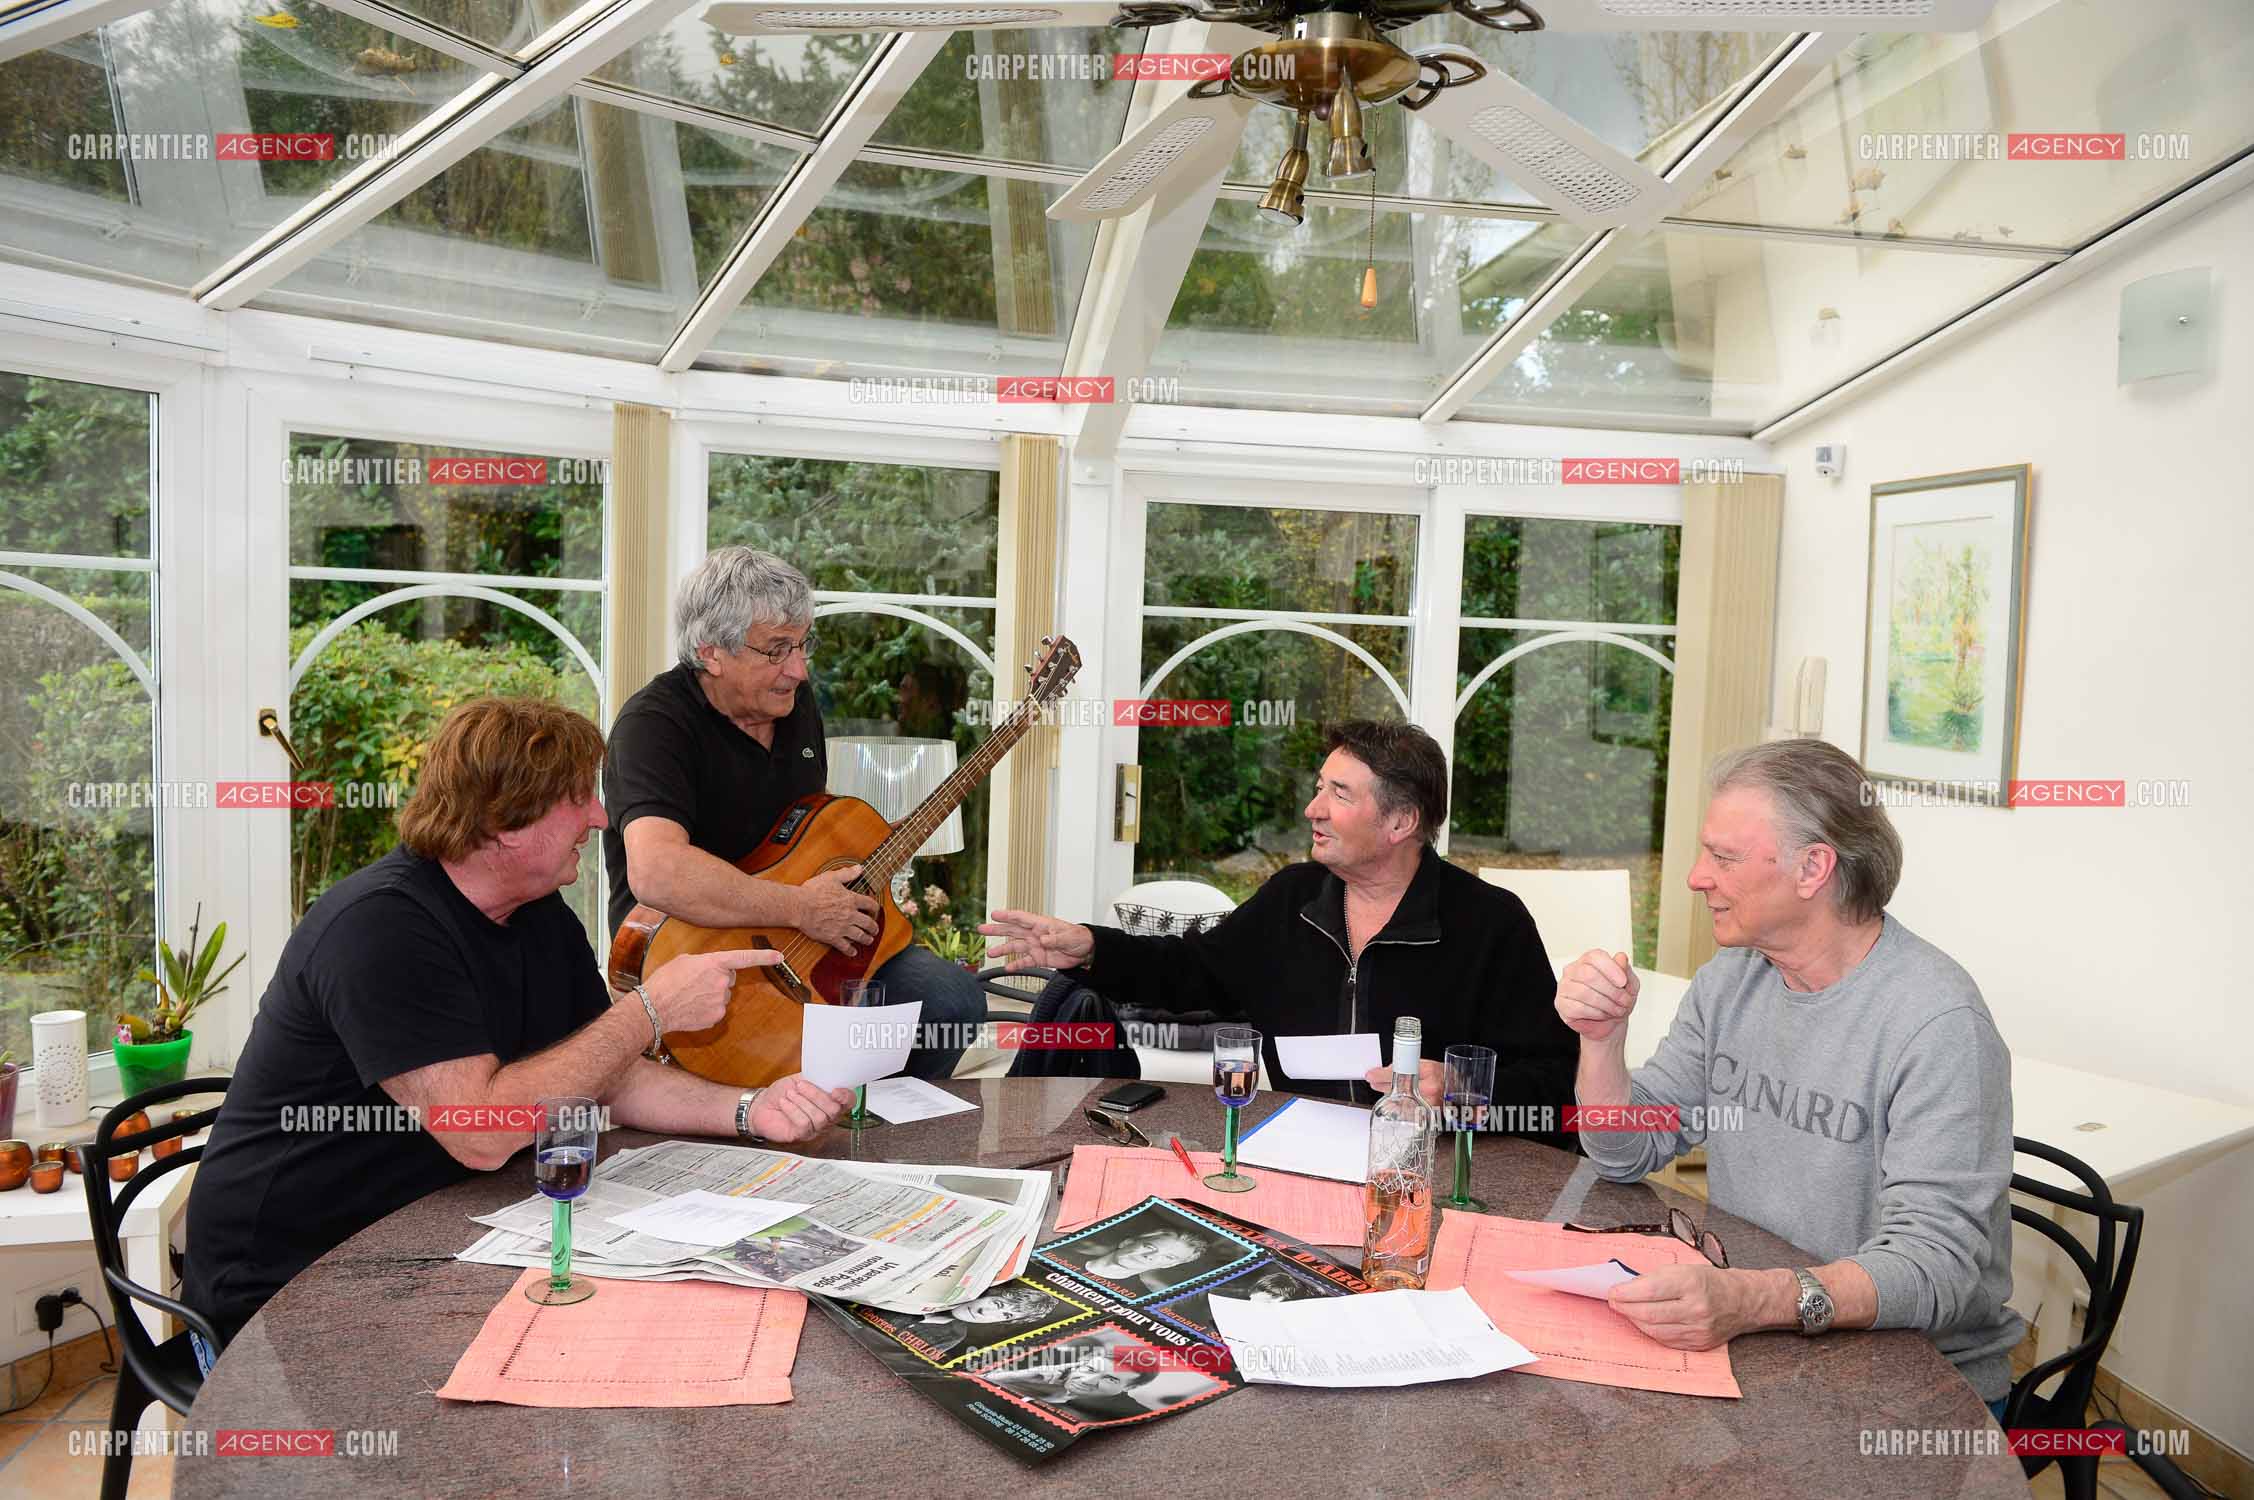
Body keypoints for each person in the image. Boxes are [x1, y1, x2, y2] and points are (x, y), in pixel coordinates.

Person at [182, 698, 852, 1363]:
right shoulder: (379, 930)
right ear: (505, 822)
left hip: (447, 1238)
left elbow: (602, 1074)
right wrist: (647, 1011)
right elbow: (480, 1133)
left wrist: (749, 1110)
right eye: (577, 798)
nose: (599, 816)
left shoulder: (536, 913)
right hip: (284, 1293)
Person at [1556, 738, 2021, 1413]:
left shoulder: (1937, 1022)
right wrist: (1601, 1042)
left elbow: (1936, 1269)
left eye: (1724, 857)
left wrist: (1749, 1297)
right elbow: (1623, 1151)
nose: (1695, 877)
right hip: (1767, 1333)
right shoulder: (1732, 983)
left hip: (1911, 1379)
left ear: (1813, 869)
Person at [982, 720, 1577, 1145]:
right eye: (1319, 787)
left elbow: (1554, 1084)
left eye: (1337, 793)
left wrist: (1458, 1086)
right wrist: (1092, 947)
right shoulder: (1293, 897)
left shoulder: (1491, 924)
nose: (1311, 809)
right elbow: (1194, 972)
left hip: (1447, 1169)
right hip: (1303, 1150)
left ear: (1401, 821)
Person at [602, 547, 988, 1079]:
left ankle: (874, 1141)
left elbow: (806, 834)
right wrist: (800, 907)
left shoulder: (792, 704)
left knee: (950, 1000)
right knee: (778, 1076)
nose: (799, 670)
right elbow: (657, 871)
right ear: (712, 653)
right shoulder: (653, 726)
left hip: (798, 945)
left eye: (803, 644)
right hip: (693, 952)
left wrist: (857, 868)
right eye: (777, 649)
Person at [897, 1284, 1066, 1359]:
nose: (984, 1313)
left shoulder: (955, 1335)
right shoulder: (930, 1294)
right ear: (990, 1293)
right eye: (997, 1303)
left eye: (1005, 1316)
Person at [1053, 1223, 1227, 1294]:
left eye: (1168, 1257)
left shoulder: (1136, 1296)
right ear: (1128, 1241)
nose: (1149, 1257)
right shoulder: (1062, 1252)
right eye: (1150, 1247)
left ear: (1171, 1265)